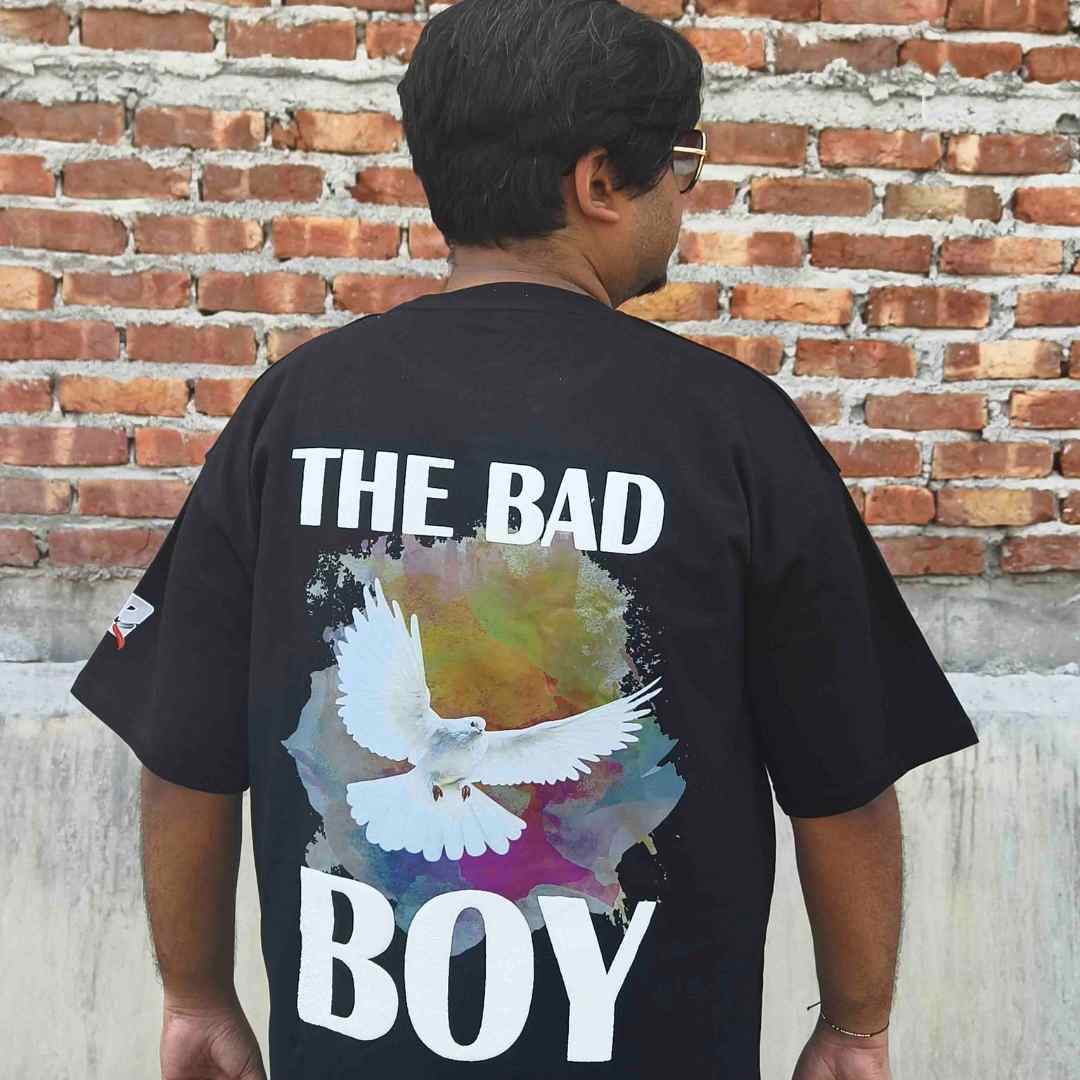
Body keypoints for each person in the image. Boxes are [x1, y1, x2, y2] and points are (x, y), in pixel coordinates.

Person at [69, 1, 979, 1078]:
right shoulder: (734, 433)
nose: (688, 193)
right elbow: (844, 782)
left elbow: (182, 751)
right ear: (599, 184)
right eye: (682, 162)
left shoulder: (292, 410)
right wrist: (855, 1026)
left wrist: (195, 995)